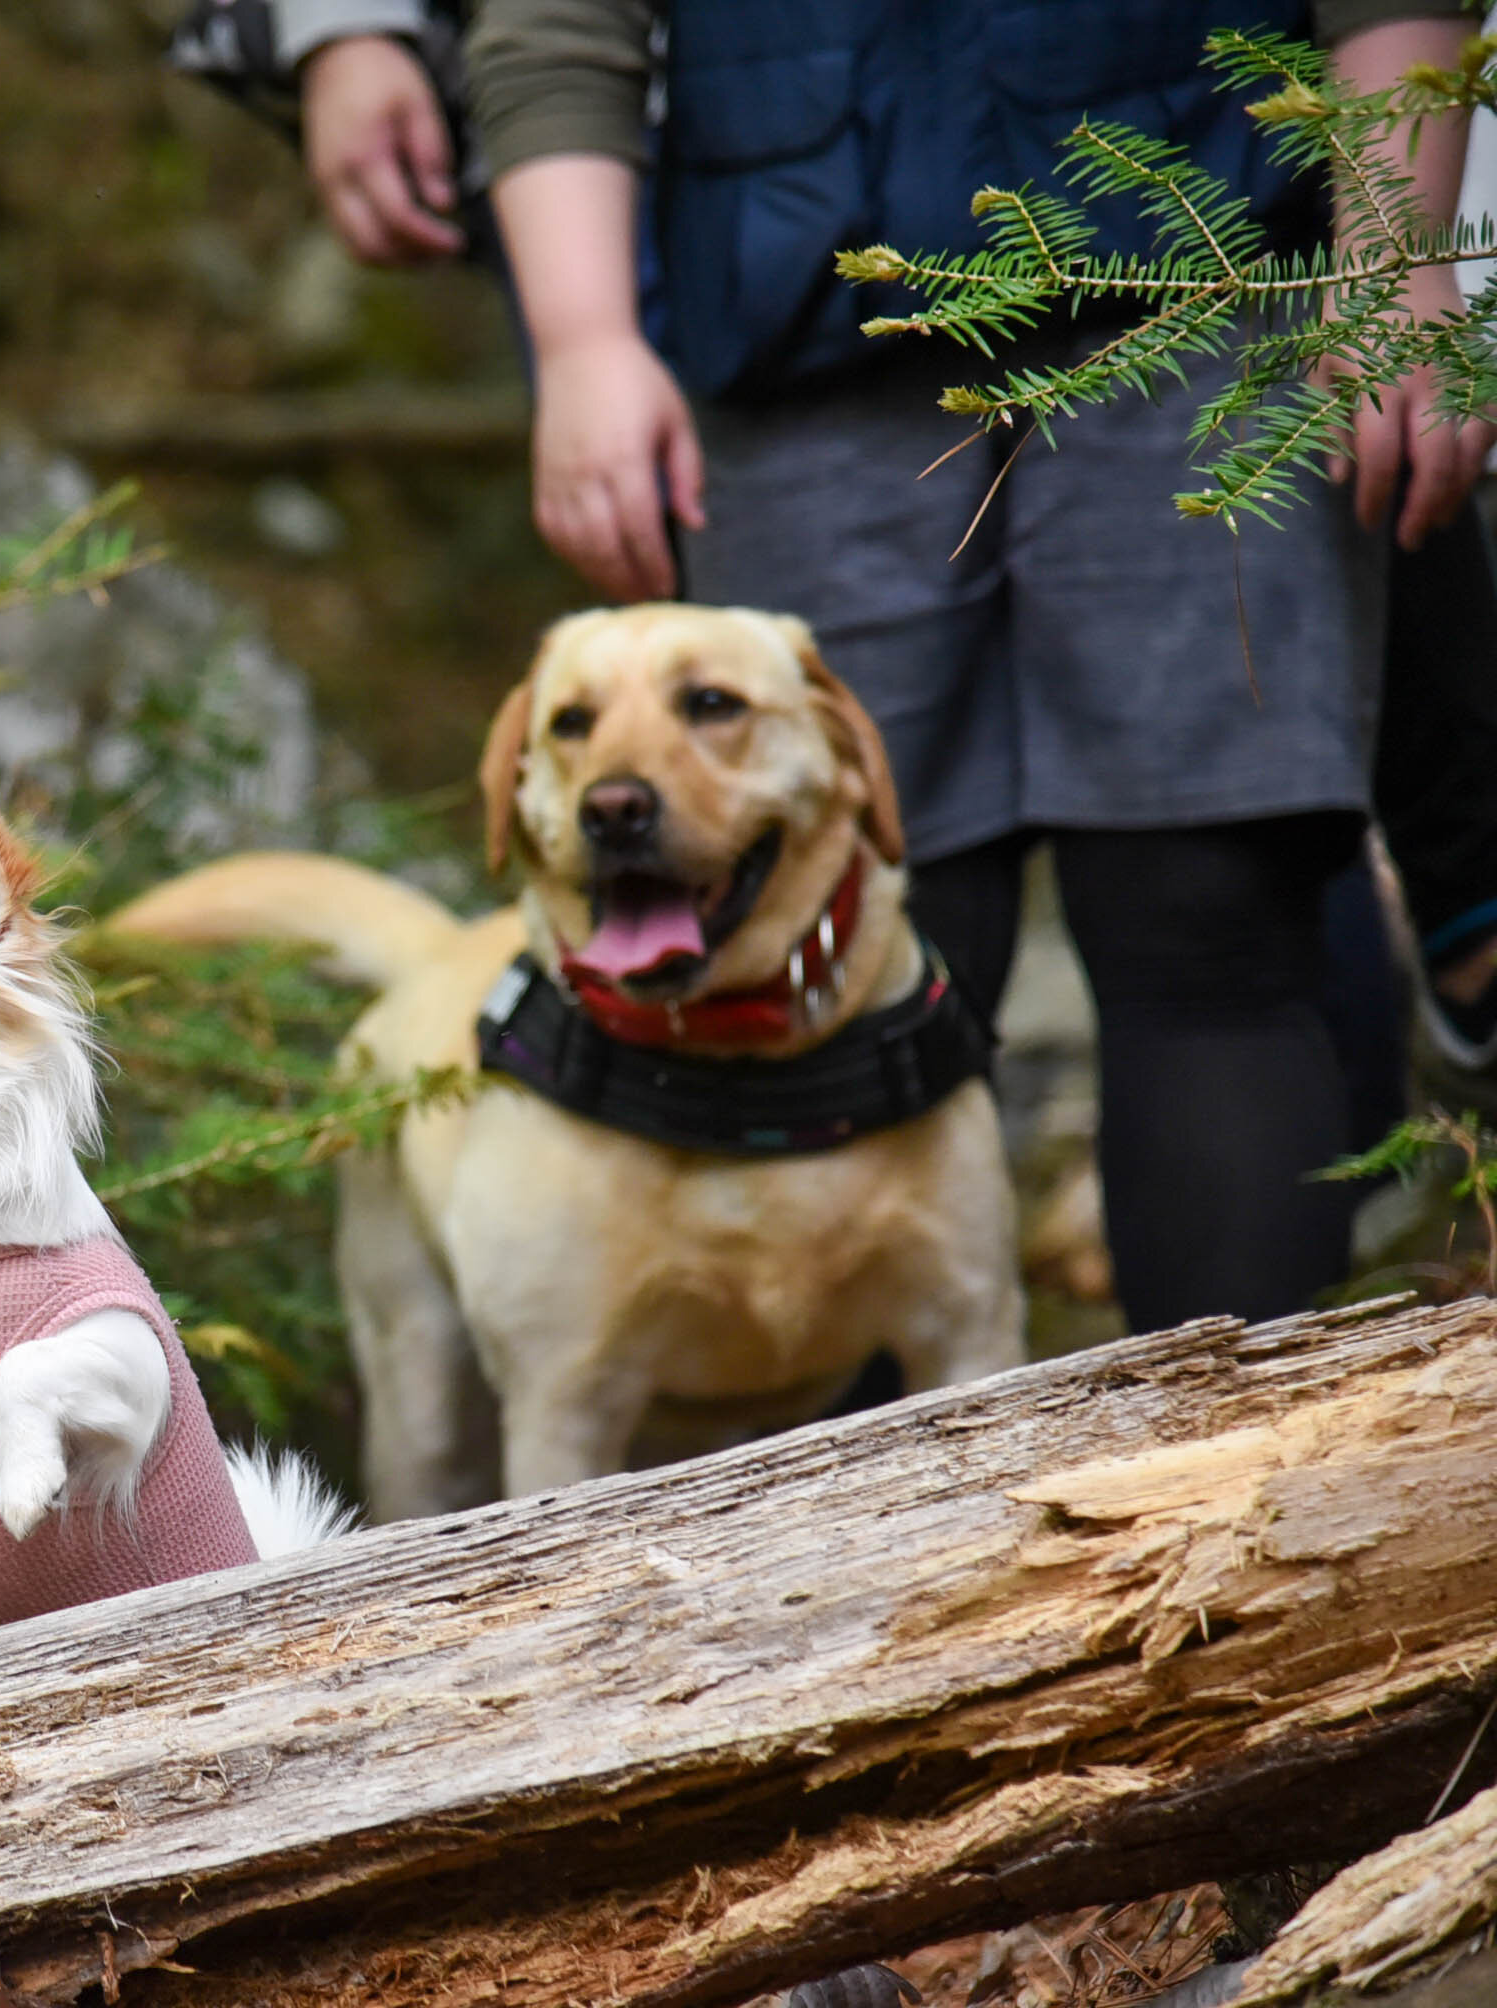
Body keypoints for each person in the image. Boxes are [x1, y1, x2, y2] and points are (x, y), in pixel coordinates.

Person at [284, 1, 1495, 1332]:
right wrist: (584, 342)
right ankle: (868, 1523)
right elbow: (560, 18)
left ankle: (1249, 1484)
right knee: (853, 929)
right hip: (798, 318)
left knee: (1211, 910)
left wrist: (1393, 265)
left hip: (1211, 265)